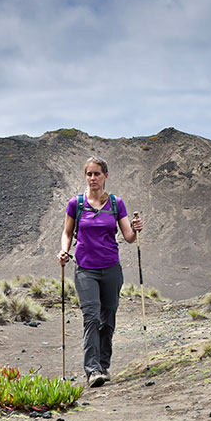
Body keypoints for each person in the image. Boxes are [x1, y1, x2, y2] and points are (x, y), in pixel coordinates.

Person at [58, 156, 144, 386]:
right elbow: (67, 233)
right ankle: (92, 370)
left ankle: (104, 365)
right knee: (91, 318)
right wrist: (64, 251)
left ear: (105, 176)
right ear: (85, 176)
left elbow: (128, 237)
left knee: (108, 319)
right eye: (89, 174)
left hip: (111, 269)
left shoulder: (116, 204)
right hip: (85, 269)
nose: (93, 178)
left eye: (97, 174)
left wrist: (136, 229)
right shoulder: (76, 204)